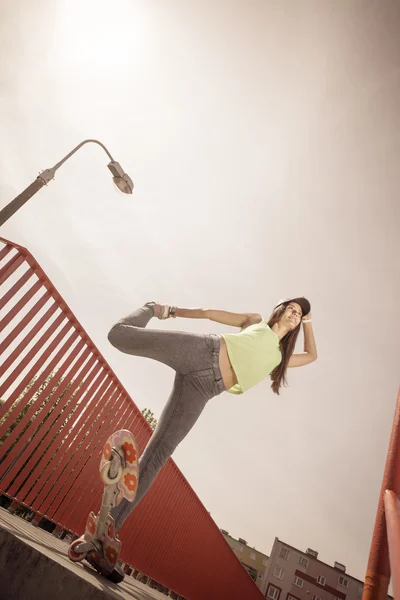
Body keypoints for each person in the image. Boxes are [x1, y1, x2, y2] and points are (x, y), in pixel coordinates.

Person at [95, 297, 317, 579]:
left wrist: (309, 320)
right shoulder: (256, 321)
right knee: (120, 336)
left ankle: (106, 532)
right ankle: (148, 307)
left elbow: (311, 355)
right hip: (201, 351)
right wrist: (169, 311)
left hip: (204, 388)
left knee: (158, 454)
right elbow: (209, 314)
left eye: (299, 315)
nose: (295, 315)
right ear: (280, 310)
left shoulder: (281, 357)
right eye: (292, 309)